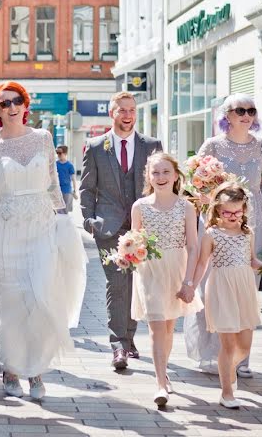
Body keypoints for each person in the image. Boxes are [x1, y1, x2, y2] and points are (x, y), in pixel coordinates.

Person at [0, 81, 88, 400]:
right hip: (4, 233)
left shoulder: (43, 139)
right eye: (3, 103)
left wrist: (64, 221)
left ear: (25, 105)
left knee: (40, 301)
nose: (11, 107)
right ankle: (10, 369)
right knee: (9, 306)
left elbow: (54, 184)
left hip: (41, 230)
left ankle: (36, 371)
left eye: (16, 101)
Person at [183, 93, 262, 379]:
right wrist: (209, 199)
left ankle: (241, 357)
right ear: (226, 115)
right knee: (211, 288)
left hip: (249, 225)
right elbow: (192, 183)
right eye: (240, 110)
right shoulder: (212, 145)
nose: (246, 115)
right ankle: (212, 354)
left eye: (251, 110)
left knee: (244, 289)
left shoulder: (261, 147)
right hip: (216, 224)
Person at [80, 91, 163, 370]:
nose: (127, 115)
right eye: (121, 110)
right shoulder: (94, 146)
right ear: (111, 113)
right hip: (109, 227)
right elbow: (87, 188)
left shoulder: (152, 145)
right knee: (117, 284)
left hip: (144, 227)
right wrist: (89, 221)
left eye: (131, 110)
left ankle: (128, 337)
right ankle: (119, 345)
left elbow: (160, 184)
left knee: (135, 284)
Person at [130, 152, 202, 408]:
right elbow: (133, 241)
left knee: (169, 328)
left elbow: (193, 247)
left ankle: (164, 371)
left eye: (165, 172)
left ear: (175, 175)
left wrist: (189, 282)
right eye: (155, 172)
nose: (160, 177)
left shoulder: (186, 206)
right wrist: (125, 255)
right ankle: (160, 383)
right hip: (149, 272)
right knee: (156, 327)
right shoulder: (139, 206)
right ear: (148, 176)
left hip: (176, 270)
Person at [189, 182, 262, 410]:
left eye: (237, 211)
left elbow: (252, 261)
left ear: (244, 211)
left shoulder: (247, 233)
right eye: (227, 212)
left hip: (244, 289)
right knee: (229, 345)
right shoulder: (212, 234)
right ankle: (226, 392)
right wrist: (191, 286)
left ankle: (229, 370)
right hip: (221, 289)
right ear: (218, 211)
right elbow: (202, 263)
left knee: (244, 345)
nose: (233, 216)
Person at [55, 146, 77, 213]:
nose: (58, 154)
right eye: (57, 152)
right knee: (57, 212)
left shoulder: (70, 165)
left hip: (67, 191)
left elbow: (73, 178)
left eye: (60, 153)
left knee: (65, 212)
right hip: (57, 190)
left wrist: (74, 190)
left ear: (65, 153)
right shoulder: (55, 164)